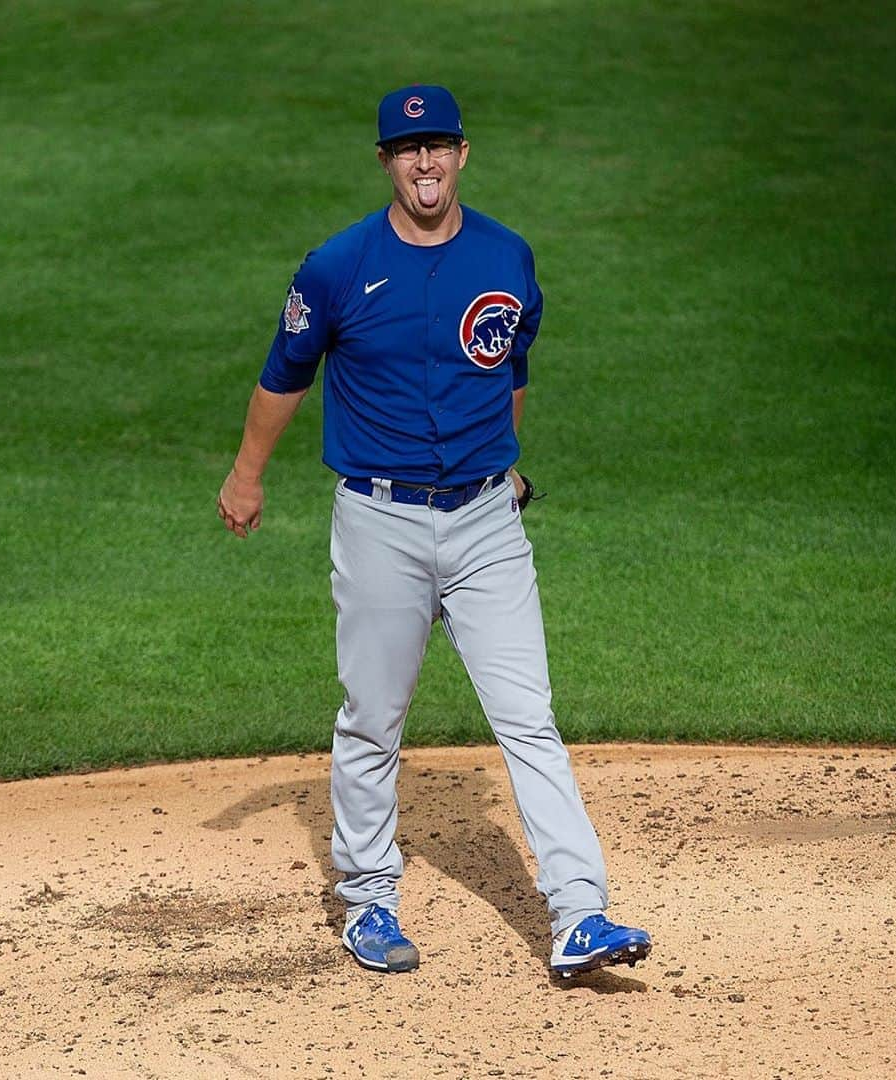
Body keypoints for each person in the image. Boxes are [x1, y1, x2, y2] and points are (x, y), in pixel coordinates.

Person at [217, 85, 652, 977]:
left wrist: (508, 457)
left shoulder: (506, 254)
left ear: (463, 154)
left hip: (489, 518)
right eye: (408, 148)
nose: (425, 162)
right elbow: (284, 374)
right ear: (385, 161)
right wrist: (246, 474)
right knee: (374, 719)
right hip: (381, 519)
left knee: (527, 718)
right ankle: (370, 899)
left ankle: (580, 913)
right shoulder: (337, 267)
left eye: (440, 145)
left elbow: (508, 359)